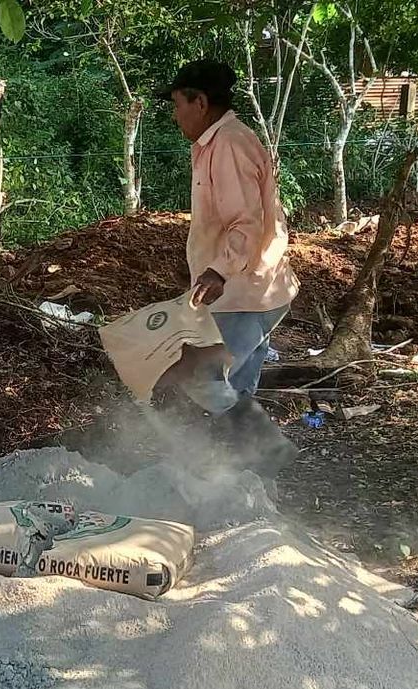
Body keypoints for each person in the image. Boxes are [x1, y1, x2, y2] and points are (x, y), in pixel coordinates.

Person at [158, 59, 299, 453]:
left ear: (199, 102)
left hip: (241, 291)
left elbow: (246, 224)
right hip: (252, 289)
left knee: (201, 379)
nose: (175, 115)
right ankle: (246, 478)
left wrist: (218, 271)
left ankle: (269, 450)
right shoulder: (219, 142)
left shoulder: (229, 145)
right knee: (235, 389)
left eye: (177, 104)